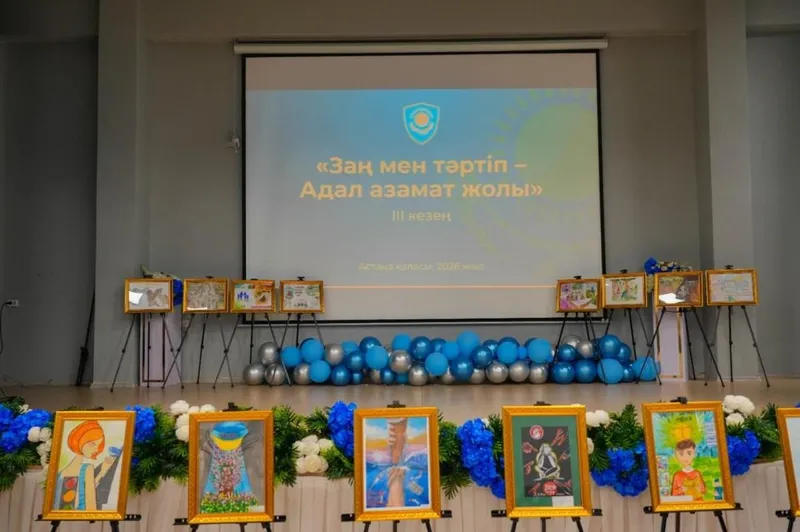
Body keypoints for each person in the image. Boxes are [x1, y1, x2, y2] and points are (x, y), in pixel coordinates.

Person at [53, 421, 116, 511]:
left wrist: (102, 471)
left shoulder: (61, 473)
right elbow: (90, 507)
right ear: (81, 440)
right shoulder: (87, 468)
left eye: (98, 445)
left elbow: (81, 490)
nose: (96, 449)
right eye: (93, 444)